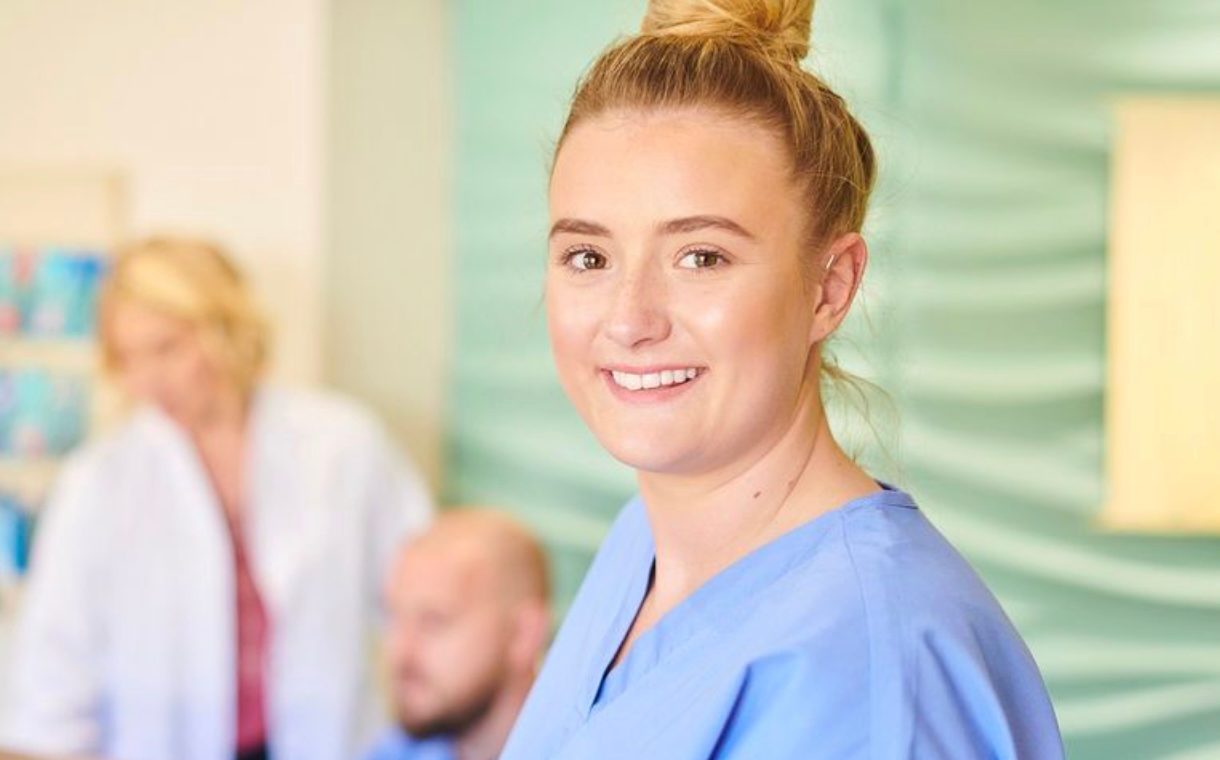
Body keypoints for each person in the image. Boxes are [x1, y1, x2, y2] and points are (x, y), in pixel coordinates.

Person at [499, 1, 1065, 758]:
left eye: (701, 257)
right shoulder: (642, 549)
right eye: (588, 257)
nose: (629, 320)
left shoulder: (874, 671)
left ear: (830, 287)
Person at [0, 237, 433, 760]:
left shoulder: (343, 446)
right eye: (129, 359)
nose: (148, 381)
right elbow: (56, 675)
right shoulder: (97, 482)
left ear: (226, 328)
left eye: (166, 348)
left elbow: (423, 603)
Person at [364, 509, 550, 760]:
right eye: (394, 617)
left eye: (434, 621)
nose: (401, 650)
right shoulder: (399, 751)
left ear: (523, 635)